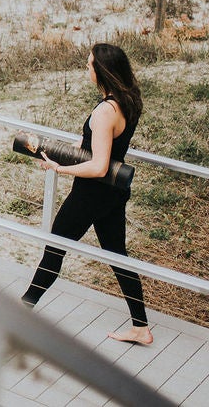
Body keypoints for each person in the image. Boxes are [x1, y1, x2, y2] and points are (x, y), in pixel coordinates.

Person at [21, 43, 153, 345]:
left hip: (91, 194)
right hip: (113, 194)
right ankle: (141, 327)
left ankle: (20, 312)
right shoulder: (128, 101)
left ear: (102, 71)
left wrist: (59, 168)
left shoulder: (106, 112)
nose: (86, 68)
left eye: (89, 64)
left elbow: (97, 165)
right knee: (117, 255)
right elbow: (104, 152)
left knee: (54, 250)